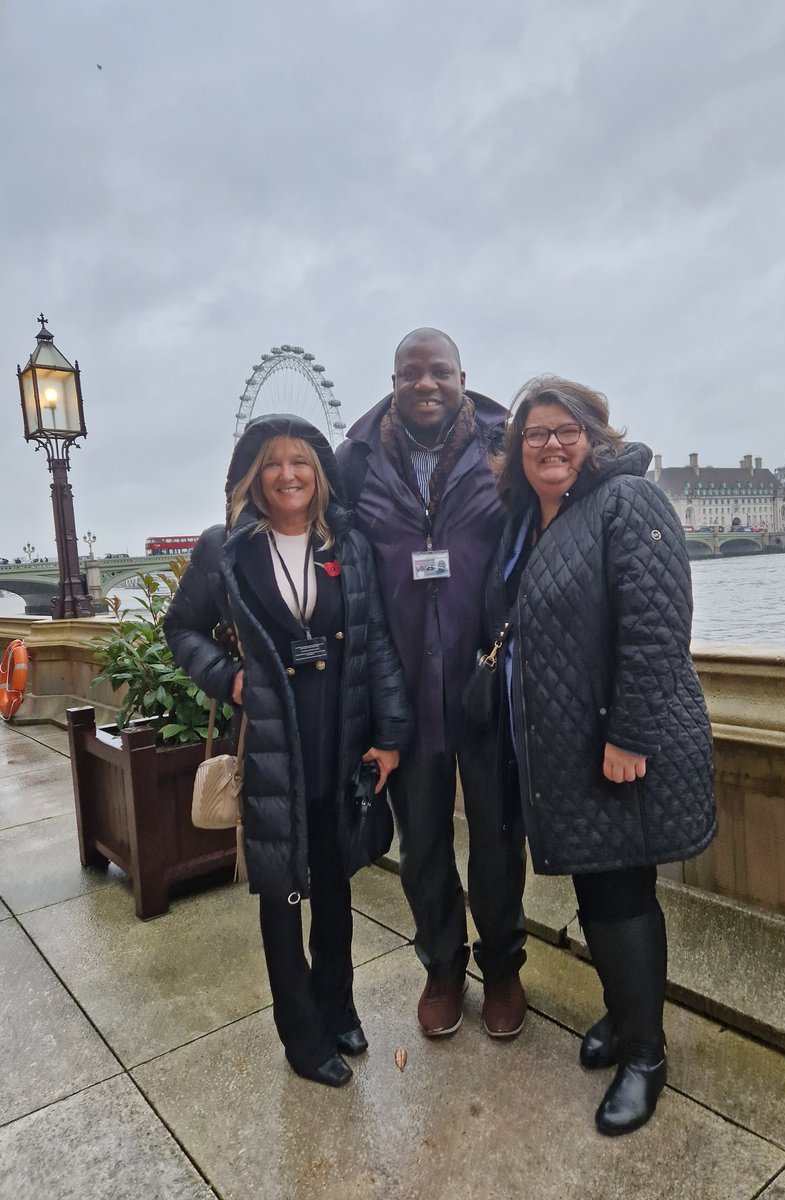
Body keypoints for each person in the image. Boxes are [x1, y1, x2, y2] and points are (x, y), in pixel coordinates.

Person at [484, 377, 716, 1135]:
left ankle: (646, 1056)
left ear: (595, 436)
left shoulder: (626, 503)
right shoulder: (535, 521)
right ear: (517, 452)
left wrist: (630, 738)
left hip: (615, 748)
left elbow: (655, 629)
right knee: (597, 892)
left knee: (622, 897)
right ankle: (623, 1019)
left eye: (565, 430)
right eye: (534, 435)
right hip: (566, 752)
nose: (550, 445)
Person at [164, 414, 410, 1088]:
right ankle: (301, 1034)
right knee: (282, 891)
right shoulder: (226, 548)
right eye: (272, 463)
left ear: (320, 473)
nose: (288, 475)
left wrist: (388, 738)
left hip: (341, 735)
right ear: (253, 475)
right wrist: (228, 676)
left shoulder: (349, 545)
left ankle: (339, 1005)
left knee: (334, 884)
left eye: (300, 461)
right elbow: (181, 627)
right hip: (276, 741)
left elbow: (378, 642)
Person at [336, 328, 528, 1039]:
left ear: (462, 377)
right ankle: (442, 967)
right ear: (392, 381)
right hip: (404, 689)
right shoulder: (354, 463)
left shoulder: (503, 448)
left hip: (485, 684)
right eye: (411, 373)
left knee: (500, 837)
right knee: (421, 846)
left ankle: (503, 966)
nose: (426, 384)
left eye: (439, 372)